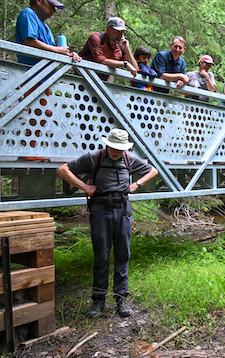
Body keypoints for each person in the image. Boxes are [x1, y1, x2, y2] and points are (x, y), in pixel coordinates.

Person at [56, 129, 159, 317]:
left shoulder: (129, 159)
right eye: (113, 147)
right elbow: (63, 169)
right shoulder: (94, 157)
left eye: (120, 149)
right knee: (101, 254)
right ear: (107, 144)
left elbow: (153, 170)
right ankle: (98, 299)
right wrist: (85, 187)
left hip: (123, 209)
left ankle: (121, 298)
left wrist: (136, 184)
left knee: (123, 253)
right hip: (100, 209)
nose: (116, 151)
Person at [15, 0, 81, 65]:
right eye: (52, 5)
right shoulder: (28, 13)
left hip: (46, 73)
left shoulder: (46, 28)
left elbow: (51, 50)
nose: (54, 10)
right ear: (39, 0)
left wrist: (69, 55)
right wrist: (57, 49)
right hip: (30, 71)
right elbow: (30, 41)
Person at [80, 17, 138, 81]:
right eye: (117, 31)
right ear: (108, 29)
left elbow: (135, 69)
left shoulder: (120, 46)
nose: (120, 35)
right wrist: (125, 64)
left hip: (100, 82)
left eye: (122, 32)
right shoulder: (96, 37)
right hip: (82, 77)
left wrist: (127, 49)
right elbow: (100, 60)